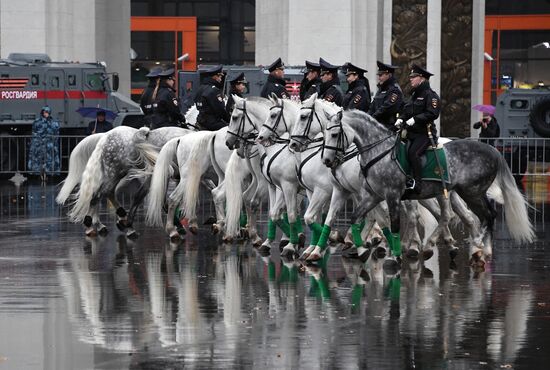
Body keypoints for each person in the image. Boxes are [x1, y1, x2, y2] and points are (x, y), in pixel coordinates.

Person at [395, 64, 441, 193]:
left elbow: (433, 113)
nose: (410, 79)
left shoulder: (430, 95)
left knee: (413, 153)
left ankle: (418, 183)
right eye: (410, 76)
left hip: (425, 134)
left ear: (422, 79)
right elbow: (407, 111)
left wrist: (416, 119)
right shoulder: (414, 95)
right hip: (411, 133)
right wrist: (401, 119)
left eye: (413, 77)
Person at [27, 106, 60, 181]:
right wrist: (37, 140)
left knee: (50, 160)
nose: (46, 114)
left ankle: (49, 174)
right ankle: (38, 174)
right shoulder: (37, 121)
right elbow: (34, 132)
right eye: (44, 112)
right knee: (39, 160)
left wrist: (53, 140)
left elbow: (56, 133)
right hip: (40, 144)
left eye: (47, 112)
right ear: (42, 112)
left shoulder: (54, 122)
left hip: (50, 144)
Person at [368, 61, 403, 128]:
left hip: (389, 127)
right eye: (379, 75)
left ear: (389, 75)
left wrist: (373, 117)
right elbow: (373, 105)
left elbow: (387, 107)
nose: (379, 78)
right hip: (378, 124)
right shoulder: (381, 89)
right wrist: (367, 117)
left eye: (381, 75)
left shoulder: (394, 90)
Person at [195, 65, 230, 131]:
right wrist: (229, 120)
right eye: (220, 76)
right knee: (232, 130)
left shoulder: (201, 88)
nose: (221, 79)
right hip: (212, 122)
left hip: (201, 120)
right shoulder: (214, 90)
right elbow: (220, 109)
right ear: (215, 77)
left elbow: (196, 103)